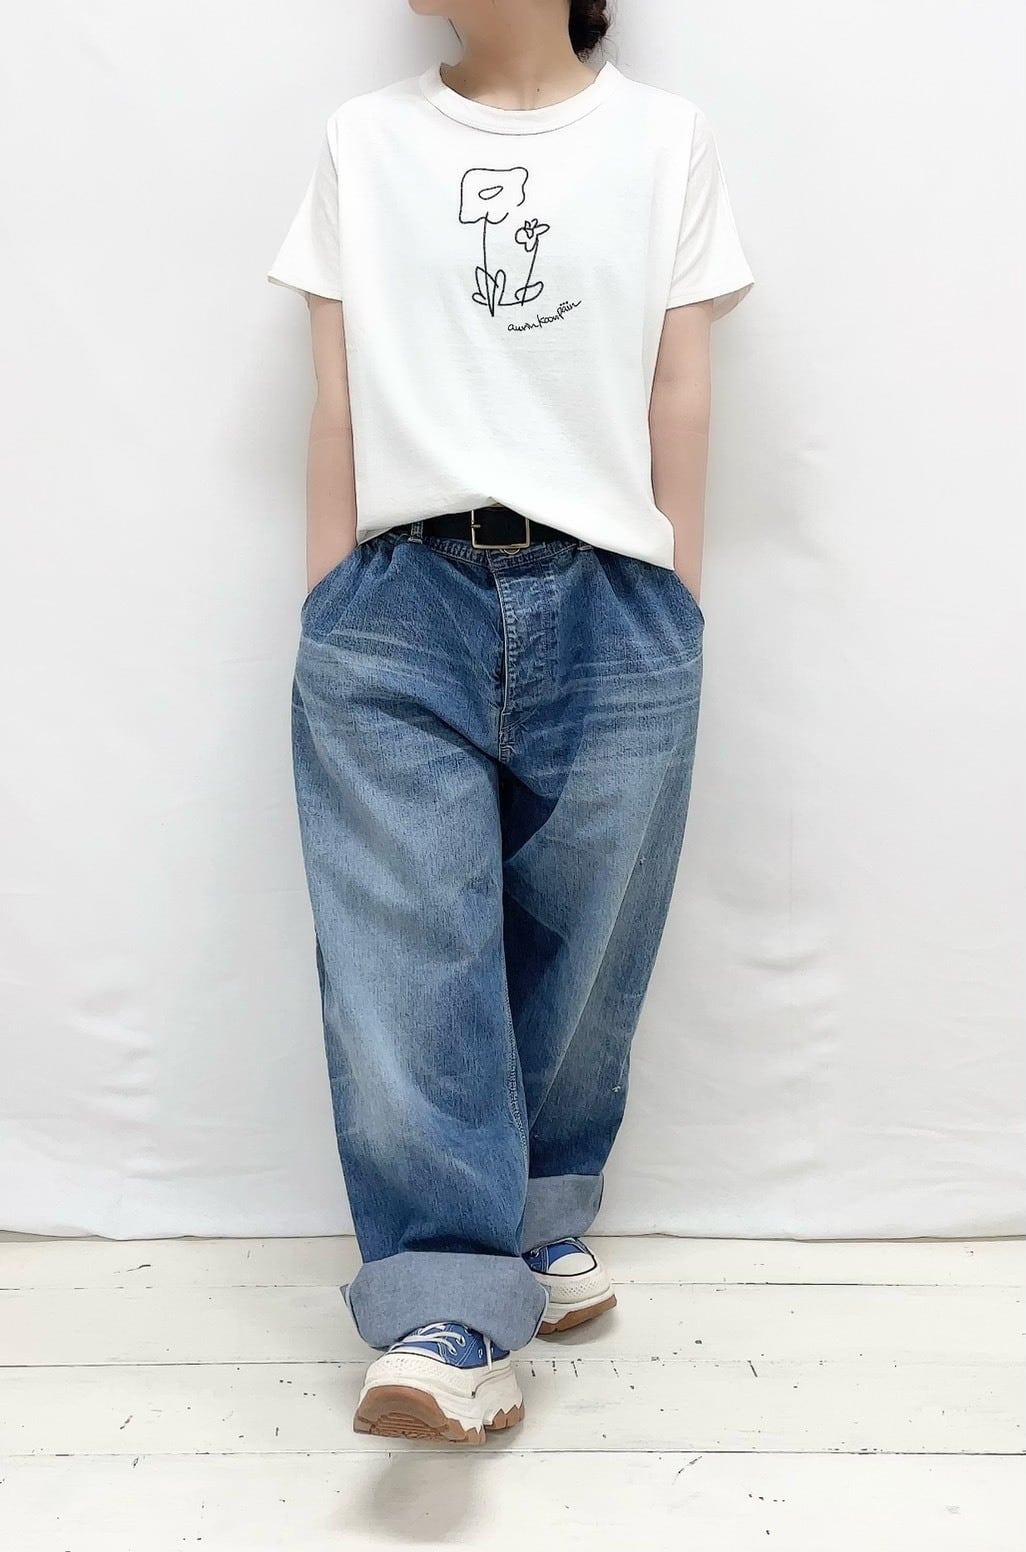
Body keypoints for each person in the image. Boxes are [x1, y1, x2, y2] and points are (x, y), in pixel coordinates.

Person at [266, 0, 754, 1445]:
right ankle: (444, 1310)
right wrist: (328, 602)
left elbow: (680, 389)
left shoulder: (666, 141)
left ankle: (537, 1212)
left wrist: (677, 603)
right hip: (397, 594)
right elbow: (335, 400)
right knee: (405, 954)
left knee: (584, 937)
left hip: (614, 591)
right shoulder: (365, 141)